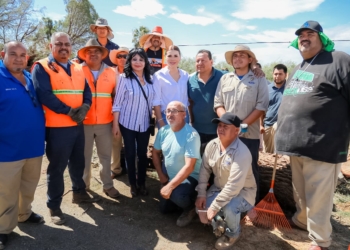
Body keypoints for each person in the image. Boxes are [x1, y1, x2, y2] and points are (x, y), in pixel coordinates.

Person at [275, 20, 350, 250]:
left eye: (310, 34)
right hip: (296, 145)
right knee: (300, 191)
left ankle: (320, 241)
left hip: (323, 144)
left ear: (322, 39)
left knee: (319, 195)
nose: (304, 37)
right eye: (301, 35)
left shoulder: (339, 59)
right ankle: (301, 220)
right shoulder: (299, 67)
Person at [32, 32, 99, 225]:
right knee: (57, 168)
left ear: (71, 47)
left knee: (78, 163)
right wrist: (69, 111)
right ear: (50, 46)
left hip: (78, 126)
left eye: (67, 44)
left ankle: (79, 193)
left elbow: (87, 91)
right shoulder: (42, 67)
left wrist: (86, 106)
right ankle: (54, 206)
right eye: (59, 44)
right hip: (57, 128)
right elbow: (44, 95)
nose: (63, 47)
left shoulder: (77, 67)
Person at [0, 42, 45, 249]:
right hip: (7, 149)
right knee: (6, 192)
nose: (19, 58)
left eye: (23, 55)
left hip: (34, 147)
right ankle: (3, 228)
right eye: (13, 54)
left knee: (28, 185)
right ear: (3, 55)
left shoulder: (29, 78)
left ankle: (24, 214)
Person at [214, 45, 269, 203]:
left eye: (242, 56)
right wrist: (227, 124)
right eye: (235, 56)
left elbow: (261, 105)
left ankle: (251, 205)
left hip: (248, 134)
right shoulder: (225, 79)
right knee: (226, 168)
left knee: (250, 170)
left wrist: (240, 126)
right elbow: (218, 103)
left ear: (250, 59)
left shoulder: (258, 79)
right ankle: (228, 202)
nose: (237, 58)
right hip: (226, 134)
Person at [195, 112, 256, 250]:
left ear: (236, 131)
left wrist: (215, 206)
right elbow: (204, 170)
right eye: (219, 125)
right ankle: (219, 221)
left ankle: (233, 233)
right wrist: (201, 194)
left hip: (242, 192)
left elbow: (234, 186)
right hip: (219, 188)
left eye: (225, 126)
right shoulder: (212, 145)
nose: (220, 129)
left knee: (230, 206)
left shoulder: (242, 152)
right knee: (200, 208)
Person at [112, 48, 158, 197]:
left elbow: (154, 102)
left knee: (143, 154)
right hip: (128, 123)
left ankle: (142, 183)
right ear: (130, 62)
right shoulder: (124, 78)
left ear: (145, 62)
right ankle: (133, 184)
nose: (138, 62)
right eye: (134, 59)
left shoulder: (151, 80)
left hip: (144, 124)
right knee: (130, 153)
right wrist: (115, 125)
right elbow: (117, 103)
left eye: (141, 59)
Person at [77, 39, 120, 198]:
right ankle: (84, 187)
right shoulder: (77, 70)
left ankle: (108, 185)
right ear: (84, 54)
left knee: (105, 156)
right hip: (84, 122)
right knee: (84, 157)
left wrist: (115, 123)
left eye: (97, 51)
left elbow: (116, 98)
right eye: (89, 51)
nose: (93, 54)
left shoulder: (111, 72)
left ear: (102, 54)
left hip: (105, 122)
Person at [153, 101, 201, 227]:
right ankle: (178, 200)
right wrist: (161, 176)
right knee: (164, 210)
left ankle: (191, 207)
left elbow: (189, 167)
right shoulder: (163, 131)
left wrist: (169, 186)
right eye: (167, 111)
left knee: (177, 195)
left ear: (184, 114)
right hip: (169, 177)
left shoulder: (191, 135)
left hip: (189, 178)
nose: (169, 114)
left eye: (174, 111)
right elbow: (155, 153)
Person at [187, 50, 226, 156]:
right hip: (197, 130)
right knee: (199, 162)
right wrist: (192, 120)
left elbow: (239, 74)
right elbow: (190, 101)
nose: (200, 63)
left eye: (203, 60)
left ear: (211, 62)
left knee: (215, 163)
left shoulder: (223, 77)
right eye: (197, 61)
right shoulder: (190, 80)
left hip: (217, 131)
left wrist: (255, 69)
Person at [153, 45, 189, 128]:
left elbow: (187, 99)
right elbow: (156, 101)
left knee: (183, 140)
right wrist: (160, 120)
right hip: (167, 117)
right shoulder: (158, 75)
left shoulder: (185, 75)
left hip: (184, 116)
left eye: (175, 56)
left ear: (180, 58)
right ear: (165, 57)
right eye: (169, 56)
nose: (172, 59)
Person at [109, 47, 129, 178]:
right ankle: (115, 169)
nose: (122, 58)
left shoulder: (134, 73)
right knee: (115, 141)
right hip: (113, 112)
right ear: (116, 59)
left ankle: (131, 169)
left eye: (125, 56)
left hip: (129, 112)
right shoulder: (110, 72)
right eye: (119, 56)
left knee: (130, 142)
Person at [260, 64, 287, 153]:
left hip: (283, 125)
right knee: (267, 152)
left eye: (280, 74)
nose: (277, 76)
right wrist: (261, 124)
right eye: (275, 74)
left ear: (285, 75)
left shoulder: (289, 89)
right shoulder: (267, 89)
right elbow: (261, 108)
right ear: (272, 74)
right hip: (267, 124)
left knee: (279, 153)